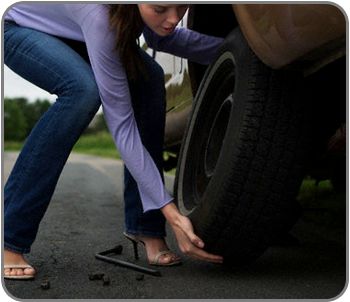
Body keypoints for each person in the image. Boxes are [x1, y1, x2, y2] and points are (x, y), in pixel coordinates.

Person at [3, 4, 224, 279]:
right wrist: (173, 214)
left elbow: (162, 36)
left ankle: (145, 226)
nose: (173, 19)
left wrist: (240, 48)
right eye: (160, 8)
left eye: (182, 7)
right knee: (82, 91)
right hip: (20, 28)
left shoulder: (138, 13)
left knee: (148, 76)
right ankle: (9, 236)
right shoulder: (100, 14)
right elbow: (122, 127)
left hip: (77, 32)